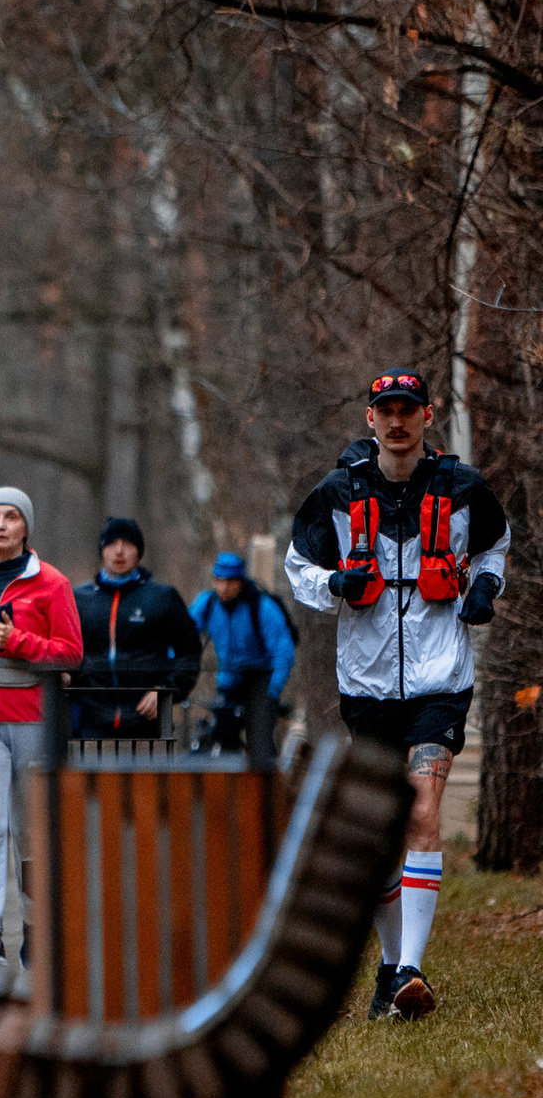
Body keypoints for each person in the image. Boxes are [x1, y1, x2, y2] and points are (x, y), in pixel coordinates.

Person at [285, 366, 508, 1020]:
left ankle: (412, 966)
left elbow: (496, 545)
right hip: (368, 683)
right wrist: (336, 586)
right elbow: (301, 569)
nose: (398, 420)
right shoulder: (337, 492)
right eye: (387, 409)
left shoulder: (462, 488)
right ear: (370, 418)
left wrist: (486, 588)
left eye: (409, 408)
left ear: (428, 416)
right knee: (383, 829)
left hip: (441, 678)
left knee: (418, 809)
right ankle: (389, 969)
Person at [0, 487, 82, 965]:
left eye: (11, 517)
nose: (0, 525)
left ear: (26, 528)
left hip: (32, 712)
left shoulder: (50, 583)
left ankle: (34, 923)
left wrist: (22, 642)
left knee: (30, 829)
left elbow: (71, 652)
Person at [69, 518, 202, 742]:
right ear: (102, 551)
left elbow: (189, 652)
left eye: (128, 544)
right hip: (92, 723)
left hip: (147, 722)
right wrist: (71, 683)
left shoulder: (162, 597)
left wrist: (166, 691)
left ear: (139, 553)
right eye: (111, 544)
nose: (119, 551)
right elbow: (66, 652)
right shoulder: (80, 599)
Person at [188, 552, 296, 754]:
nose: (224, 588)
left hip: (260, 678)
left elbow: (283, 651)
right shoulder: (208, 604)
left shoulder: (261, 607)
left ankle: (264, 778)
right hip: (228, 679)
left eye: (230, 581)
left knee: (260, 741)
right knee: (221, 734)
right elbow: (184, 633)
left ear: (241, 581)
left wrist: (273, 691)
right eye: (219, 581)